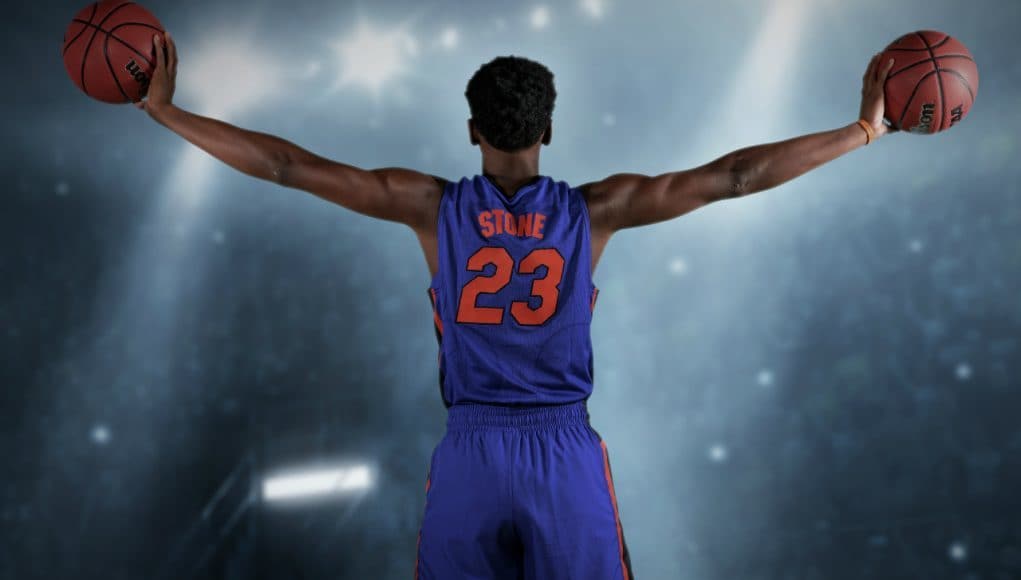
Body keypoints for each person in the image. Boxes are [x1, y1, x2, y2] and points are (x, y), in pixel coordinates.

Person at [138, 32, 896, 580]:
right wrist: (862, 129)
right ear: (548, 130)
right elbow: (736, 176)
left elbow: (284, 165)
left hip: (469, 451)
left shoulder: (427, 206)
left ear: (472, 131)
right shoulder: (597, 210)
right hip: (562, 454)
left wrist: (167, 113)